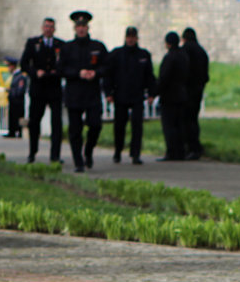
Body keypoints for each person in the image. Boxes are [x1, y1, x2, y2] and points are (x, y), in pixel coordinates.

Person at [58, 10, 108, 172]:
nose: (81, 29)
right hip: (74, 94)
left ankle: (89, 150)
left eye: (84, 26)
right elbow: (61, 70)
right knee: (75, 130)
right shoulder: (67, 48)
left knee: (95, 125)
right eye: (78, 26)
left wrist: (96, 73)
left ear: (88, 28)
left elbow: (107, 66)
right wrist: (77, 73)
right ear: (75, 28)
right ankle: (78, 161)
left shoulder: (97, 47)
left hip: (92, 93)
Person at [104, 26, 157, 165]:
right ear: (125, 38)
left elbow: (149, 76)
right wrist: (108, 92)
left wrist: (151, 93)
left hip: (137, 95)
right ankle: (118, 151)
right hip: (120, 94)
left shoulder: (143, 55)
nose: (131, 39)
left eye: (133, 37)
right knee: (119, 126)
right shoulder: (117, 54)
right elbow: (108, 74)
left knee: (137, 125)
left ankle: (136, 153)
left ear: (137, 38)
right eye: (129, 37)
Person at [20, 17, 64, 163]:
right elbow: (24, 64)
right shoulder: (33, 43)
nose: (48, 29)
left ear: (54, 29)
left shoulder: (60, 45)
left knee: (56, 123)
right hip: (38, 88)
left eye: (51, 27)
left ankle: (55, 155)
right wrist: (35, 72)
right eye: (46, 26)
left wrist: (56, 72)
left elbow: (63, 65)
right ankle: (32, 151)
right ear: (42, 28)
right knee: (34, 122)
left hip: (54, 87)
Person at [157, 31, 190, 161]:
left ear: (168, 43)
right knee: (180, 125)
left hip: (169, 96)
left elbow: (164, 77)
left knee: (169, 126)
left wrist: (155, 91)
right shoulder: (184, 56)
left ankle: (171, 152)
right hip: (182, 95)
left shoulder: (170, 57)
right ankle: (180, 152)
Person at [180, 27, 209, 159]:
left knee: (187, 120)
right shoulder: (202, 51)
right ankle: (195, 147)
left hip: (187, 90)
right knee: (193, 119)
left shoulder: (185, 50)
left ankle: (191, 147)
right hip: (198, 89)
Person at [4, 57, 28, 138]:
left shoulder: (20, 77)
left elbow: (20, 91)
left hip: (18, 102)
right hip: (13, 101)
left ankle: (18, 132)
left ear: (12, 66)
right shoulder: (15, 76)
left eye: (8, 66)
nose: (8, 68)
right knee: (12, 117)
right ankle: (12, 132)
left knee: (17, 117)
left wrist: (10, 91)